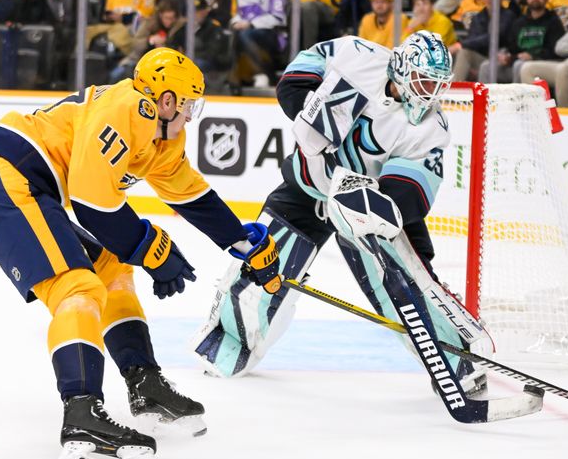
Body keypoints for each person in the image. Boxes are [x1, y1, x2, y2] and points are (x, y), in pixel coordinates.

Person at [0, 47, 281, 459]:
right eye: (189, 105)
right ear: (166, 100)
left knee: (110, 266)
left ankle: (144, 382)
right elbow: (93, 203)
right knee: (77, 287)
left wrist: (244, 244)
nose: (191, 116)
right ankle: (82, 419)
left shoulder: (160, 135)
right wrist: (148, 246)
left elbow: (192, 195)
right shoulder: (128, 107)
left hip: (16, 190)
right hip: (3, 185)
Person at [193, 31, 488, 401]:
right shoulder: (358, 53)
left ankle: (455, 361)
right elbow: (297, 76)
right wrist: (309, 111)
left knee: (412, 284)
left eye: (437, 84)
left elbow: (412, 188)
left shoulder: (431, 128)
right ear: (400, 67)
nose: (430, 92)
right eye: (424, 80)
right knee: (261, 269)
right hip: (307, 188)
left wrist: (377, 208)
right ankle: (227, 347)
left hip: (365, 208)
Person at [477, 0, 563, 83]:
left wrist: (532, 55)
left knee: (520, 65)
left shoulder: (553, 21)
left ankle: (517, 97)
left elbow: (554, 50)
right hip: (517, 61)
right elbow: (512, 46)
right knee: (486, 66)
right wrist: (505, 56)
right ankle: (484, 97)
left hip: (541, 63)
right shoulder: (520, 22)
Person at [228, 0, 287, 91]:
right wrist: (236, 22)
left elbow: (278, 18)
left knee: (243, 35)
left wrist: (251, 24)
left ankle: (265, 73)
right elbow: (238, 13)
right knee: (237, 34)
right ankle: (237, 77)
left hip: (271, 34)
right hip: (246, 31)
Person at [450, 0, 516, 81]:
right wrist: (463, 46)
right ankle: (454, 91)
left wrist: (461, 44)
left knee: (463, 49)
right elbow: (473, 39)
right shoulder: (478, 17)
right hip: (483, 58)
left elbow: (493, 37)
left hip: (503, 60)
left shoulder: (508, 16)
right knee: (464, 53)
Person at [110, 0, 185, 82]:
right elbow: (136, 44)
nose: (169, 21)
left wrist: (165, 44)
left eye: (171, 18)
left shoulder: (180, 27)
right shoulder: (149, 23)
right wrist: (150, 41)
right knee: (116, 75)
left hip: (169, 64)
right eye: (166, 18)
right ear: (160, 15)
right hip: (140, 59)